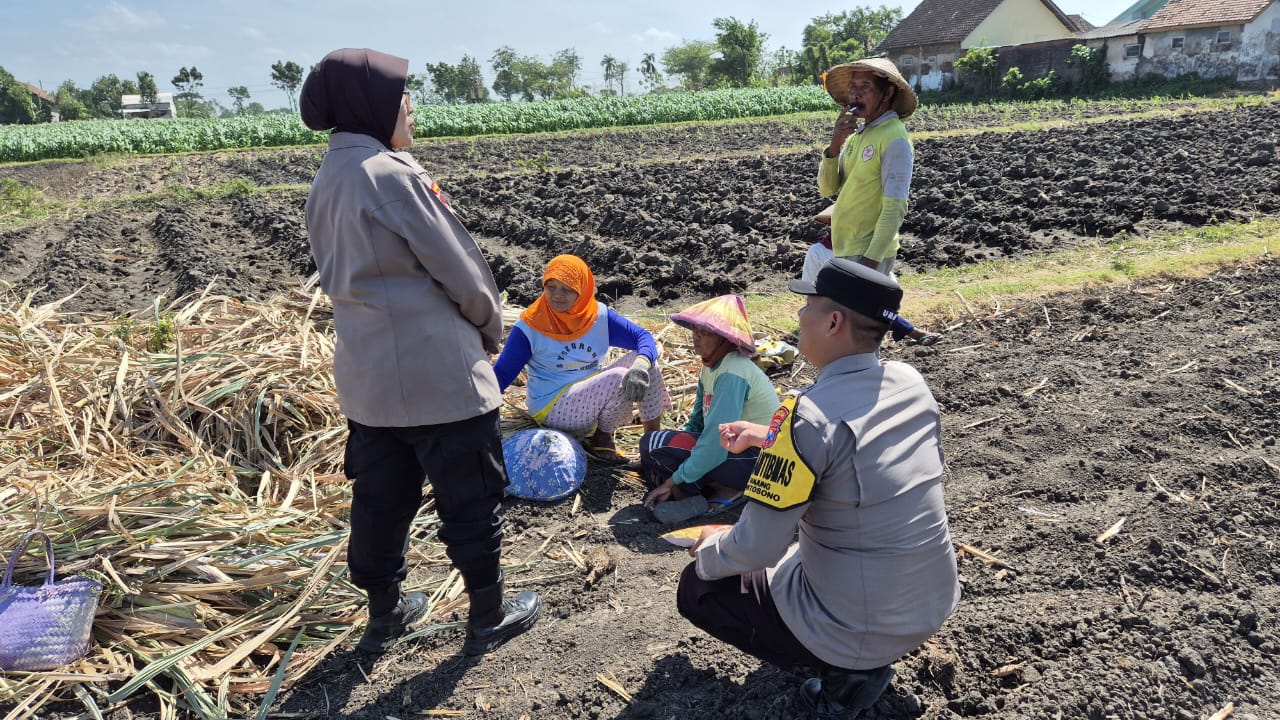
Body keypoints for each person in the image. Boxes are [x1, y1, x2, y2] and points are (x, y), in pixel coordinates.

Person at [300, 48, 539, 657]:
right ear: (371, 103)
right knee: (469, 495)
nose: (410, 104)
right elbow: (463, 272)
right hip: (440, 375)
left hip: (369, 381)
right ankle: (488, 612)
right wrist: (490, 332)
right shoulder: (393, 174)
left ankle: (384, 616)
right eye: (402, 93)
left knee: (381, 500)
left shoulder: (327, 178)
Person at [677, 259, 960, 719]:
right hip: (929, 603)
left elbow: (755, 549)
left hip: (862, 628)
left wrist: (708, 549)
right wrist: (765, 436)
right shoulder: (910, 383)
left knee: (699, 587)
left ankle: (846, 678)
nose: (799, 317)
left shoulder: (804, 416)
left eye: (806, 305)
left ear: (833, 322)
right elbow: (852, 452)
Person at [492, 254, 669, 464]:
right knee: (618, 378)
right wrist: (478, 413)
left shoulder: (598, 317)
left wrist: (641, 365)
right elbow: (502, 375)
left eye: (567, 289)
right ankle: (602, 437)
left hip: (591, 395)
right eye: (551, 287)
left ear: (582, 291)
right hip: (553, 405)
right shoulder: (530, 327)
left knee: (648, 363)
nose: (557, 295)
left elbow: (643, 337)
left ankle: (653, 445)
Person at [639, 295, 779, 524]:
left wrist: (671, 480)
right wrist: (683, 440)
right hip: (733, 452)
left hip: (754, 461)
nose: (696, 337)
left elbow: (716, 441)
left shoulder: (733, 372)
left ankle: (711, 491)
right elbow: (697, 421)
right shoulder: (712, 366)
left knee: (653, 445)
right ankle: (711, 488)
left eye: (705, 332)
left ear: (725, 339)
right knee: (660, 447)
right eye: (694, 330)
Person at [805, 58, 917, 277]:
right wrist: (834, 146)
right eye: (853, 87)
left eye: (865, 87)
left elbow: (895, 208)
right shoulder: (859, 135)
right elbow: (827, 189)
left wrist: (870, 262)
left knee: (852, 311)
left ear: (887, 94)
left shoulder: (894, 138)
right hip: (845, 245)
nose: (856, 94)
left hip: (866, 253)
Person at [804, 206, 941, 347]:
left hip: (867, 303)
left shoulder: (867, 250)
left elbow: (885, 279)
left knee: (875, 308)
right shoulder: (818, 252)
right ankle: (910, 331)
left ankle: (903, 329)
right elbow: (809, 287)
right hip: (831, 304)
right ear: (831, 224)